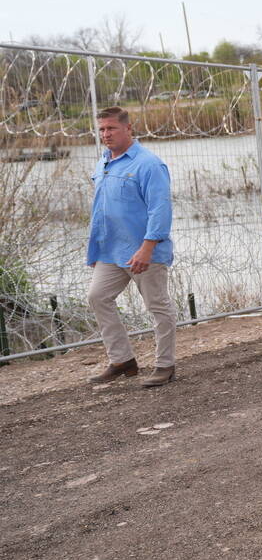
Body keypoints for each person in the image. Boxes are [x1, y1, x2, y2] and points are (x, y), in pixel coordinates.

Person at [85, 106, 177, 387]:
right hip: (110, 252)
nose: (106, 134)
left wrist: (147, 248)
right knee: (97, 297)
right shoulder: (104, 162)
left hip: (144, 252)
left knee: (157, 306)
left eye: (111, 128)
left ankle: (165, 366)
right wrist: (95, 249)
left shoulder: (148, 164)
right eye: (101, 129)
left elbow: (160, 210)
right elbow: (102, 209)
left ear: (128, 129)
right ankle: (123, 361)